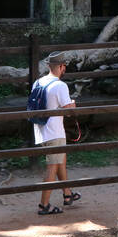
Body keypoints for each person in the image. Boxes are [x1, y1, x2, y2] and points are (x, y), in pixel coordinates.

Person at [32, 52, 78, 215]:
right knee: (52, 166)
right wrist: (73, 105)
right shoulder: (60, 85)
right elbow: (68, 111)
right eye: (64, 66)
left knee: (60, 162)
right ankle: (44, 205)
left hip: (41, 129)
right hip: (55, 131)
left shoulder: (38, 82)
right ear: (61, 67)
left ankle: (67, 194)